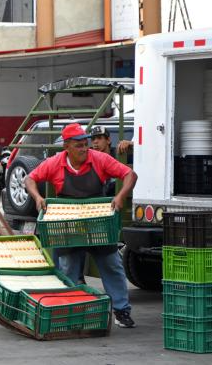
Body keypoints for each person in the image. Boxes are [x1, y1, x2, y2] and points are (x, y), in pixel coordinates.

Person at [25, 123, 138, 329]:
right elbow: (30, 179)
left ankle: (122, 311)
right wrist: (38, 197)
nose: (85, 148)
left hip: (98, 222)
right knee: (68, 268)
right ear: (66, 146)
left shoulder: (99, 159)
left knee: (111, 264)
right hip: (68, 225)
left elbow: (130, 174)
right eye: (78, 145)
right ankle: (71, 311)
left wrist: (121, 196)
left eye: (85, 144)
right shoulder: (54, 163)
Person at [88, 126, 133, 197]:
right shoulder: (88, 156)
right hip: (97, 200)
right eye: (93, 139)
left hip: (117, 199)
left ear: (108, 140)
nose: (95, 142)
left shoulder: (120, 153)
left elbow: (141, 158)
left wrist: (131, 144)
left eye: (99, 138)